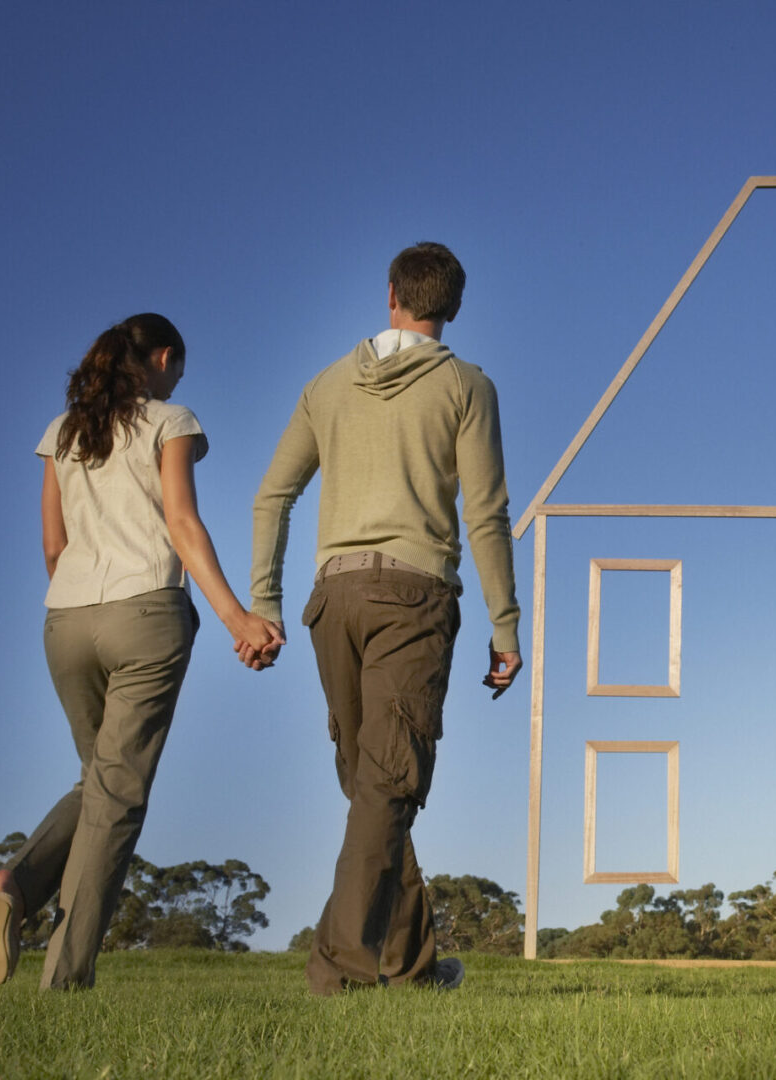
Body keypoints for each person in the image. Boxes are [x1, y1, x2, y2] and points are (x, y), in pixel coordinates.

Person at [0, 313, 285, 990]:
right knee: (116, 799)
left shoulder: (63, 432)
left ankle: (12, 885)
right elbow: (181, 523)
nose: (176, 384)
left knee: (99, 782)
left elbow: (53, 547)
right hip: (144, 615)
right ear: (164, 359)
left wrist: (80, 598)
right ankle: (64, 982)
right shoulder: (170, 421)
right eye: (177, 371)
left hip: (65, 621)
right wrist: (236, 618)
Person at [247, 241, 521, 995]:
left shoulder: (326, 384)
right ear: (452, 306)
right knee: (386, 786)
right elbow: (487, 515)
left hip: (331, 600)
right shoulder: (468, 386)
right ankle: (336, 971)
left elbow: (272, 497)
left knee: (374, 785)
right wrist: (505, 626)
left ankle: (411, 968)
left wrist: (264, 604)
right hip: (413, 597)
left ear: (390, 294)